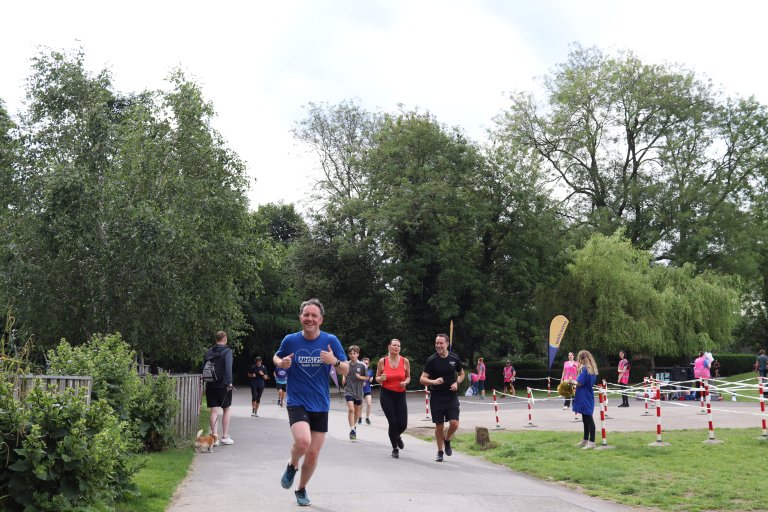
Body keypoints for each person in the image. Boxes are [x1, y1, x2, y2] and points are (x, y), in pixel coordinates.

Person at [273, 298, 349, 507]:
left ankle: (301, 489)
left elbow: (346, 369)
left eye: (314, 315)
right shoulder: (291, 340)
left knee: (314, 452)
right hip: (297, 400)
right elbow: (276, 357)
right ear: (300, 318)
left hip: (321, 403)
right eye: (306, 315)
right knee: (303, 442)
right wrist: (282, 362)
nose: (310, 319)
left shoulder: (330, 341)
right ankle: (292, 464)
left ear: (321, 319)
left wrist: (334, 361)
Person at [420, 333, 465, 462]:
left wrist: (457, 382)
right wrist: (433, 382)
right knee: (439, 426)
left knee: (454, 423)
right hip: (436, 397)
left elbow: (461, 373)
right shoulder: (432, 360)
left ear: (447, 344)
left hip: (451, 396)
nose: (438, 345)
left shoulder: (454, 358)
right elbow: (422, 379)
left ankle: (447, 439)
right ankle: (440, 451)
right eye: (436, 343)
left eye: (441, 343)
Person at [376, 338, 411, 458]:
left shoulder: (405, 361)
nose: (396, 347)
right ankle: (395, 448)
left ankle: (397, 436)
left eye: (398, 346)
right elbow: (377, 378)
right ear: (389, 347)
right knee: (393, 422)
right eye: (394, 345)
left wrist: (405, 382)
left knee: (403, 424)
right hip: (387, 394)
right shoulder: (383, 361)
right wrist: (381, 379)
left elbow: (408, 377)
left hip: (400, 394)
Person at [204, 330, 234, 445]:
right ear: (225, 339)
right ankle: (225, 437)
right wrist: (229, 382)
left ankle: (214, 438)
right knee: (226, 409)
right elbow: (228, 368)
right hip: (223, 385)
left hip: (210, 384)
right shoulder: (227, 351)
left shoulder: (209, 351)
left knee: (214, 410)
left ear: (216, 339)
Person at [571, 350, 598, 449]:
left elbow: (579, 383)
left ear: (581, 359)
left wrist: (571, 381)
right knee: (585, 418)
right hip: (588, 395)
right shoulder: (592, 369)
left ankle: (591, 442)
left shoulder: (585, 369)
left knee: (588, 419)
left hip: (584, 396)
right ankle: (585, 439)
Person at [341, 345, 367, 440]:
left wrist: (361, 378)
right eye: (350, 353)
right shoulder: (346, 364)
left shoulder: (362, 365)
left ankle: (354, 425)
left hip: (359, 392)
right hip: (349, 390)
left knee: (356, 411)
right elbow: (344, 373)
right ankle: (352, 430)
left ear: (358, 354)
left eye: (354, 353)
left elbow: (367, 377)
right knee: (351, 409)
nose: (352, 355)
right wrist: (343, 379)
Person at [360, 357, 373, 425]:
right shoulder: (359, 371)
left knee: (369, 404)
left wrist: (371, 379)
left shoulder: (370, 371)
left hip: (367, 390)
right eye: (364, 363)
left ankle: (367, 418)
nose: (366, 364)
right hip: (360, 390)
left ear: (369, 364)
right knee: (361, 405)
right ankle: (360, 418)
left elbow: (371, 378)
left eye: (367, 363)